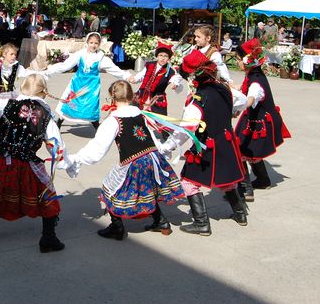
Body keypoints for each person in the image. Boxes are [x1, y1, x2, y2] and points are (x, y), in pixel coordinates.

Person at [62, 80, 186, 240]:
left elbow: (97, 148)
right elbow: (152, 137)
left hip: (134, 162)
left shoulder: (113, 120)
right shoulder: (140, 113)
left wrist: (76, 158)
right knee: (148, 189)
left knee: (110, 188)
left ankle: (117, 228)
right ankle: (161, 222)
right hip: (153, 157)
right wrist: (162, 150)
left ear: (111, 97)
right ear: (131, 95)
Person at [0, 74, 66, 252]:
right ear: (43, 92)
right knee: (47, 195)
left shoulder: (7, 104)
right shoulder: (45, 115)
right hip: (25, 162)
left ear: (22, 89)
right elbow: (55, 143)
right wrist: (62, 159)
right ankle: (48, 237)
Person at [166, 50, 249, 235]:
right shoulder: (224, 88)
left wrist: (168, 146)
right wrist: (234, 111)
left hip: (207, 146)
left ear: (193, 77)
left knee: (188, 182)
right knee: (226, 180)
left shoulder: (196, 101)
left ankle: (201, 223)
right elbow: (242, 100)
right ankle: (240, 213)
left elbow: (186, 131)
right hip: (226, 142)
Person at [40, 32, 130, 131]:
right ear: (87, 42)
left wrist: (127, 76)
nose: (93, 45)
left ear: (99, 44)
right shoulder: (80, 54)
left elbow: (113, 69)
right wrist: (48, 72)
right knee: (70, 104)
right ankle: (60, 121)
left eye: (96, 43)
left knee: (90, 106)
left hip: (92, 87)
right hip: (77, 83)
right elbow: (65, 65)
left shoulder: (101, 57)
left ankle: (96, 126)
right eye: (91, 42)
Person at [234, 38, 290, 195]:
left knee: (239, 151)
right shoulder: (253, 74)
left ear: (247, 61)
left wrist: (237, 107)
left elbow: (252, 97)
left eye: (239, 59)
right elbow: (243, 89)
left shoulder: (256, 81)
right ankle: (263, 180)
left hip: (259, 123)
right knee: (250, 152)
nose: (238, 62)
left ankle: (245, 190)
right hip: (255, 120)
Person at [128, 41, 182, 115]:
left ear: (169, 58)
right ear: (157, 56)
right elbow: (142, 74)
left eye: (165, 56)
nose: (163, 58)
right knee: (136, 116)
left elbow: (176, 77)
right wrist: (135, 79)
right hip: (142, 94)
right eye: (161, 55)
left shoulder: (170, 70)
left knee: (156, 120)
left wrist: (175, 83)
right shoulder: (149, 65)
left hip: (156, 98)